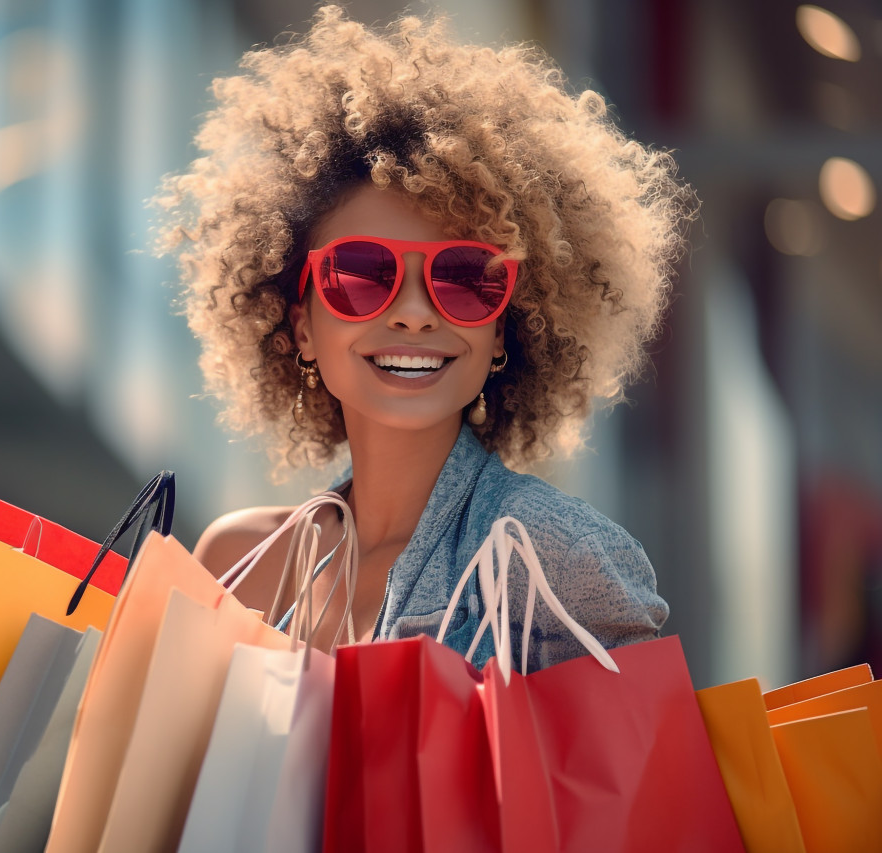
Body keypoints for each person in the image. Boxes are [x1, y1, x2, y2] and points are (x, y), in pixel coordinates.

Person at [156, 5, 695, 670]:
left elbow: (646, 772)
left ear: (501, 330)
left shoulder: (559, 558)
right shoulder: (237, 564)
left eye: (466, 278)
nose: (414, 314)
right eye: (360, 274)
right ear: (301, 326)